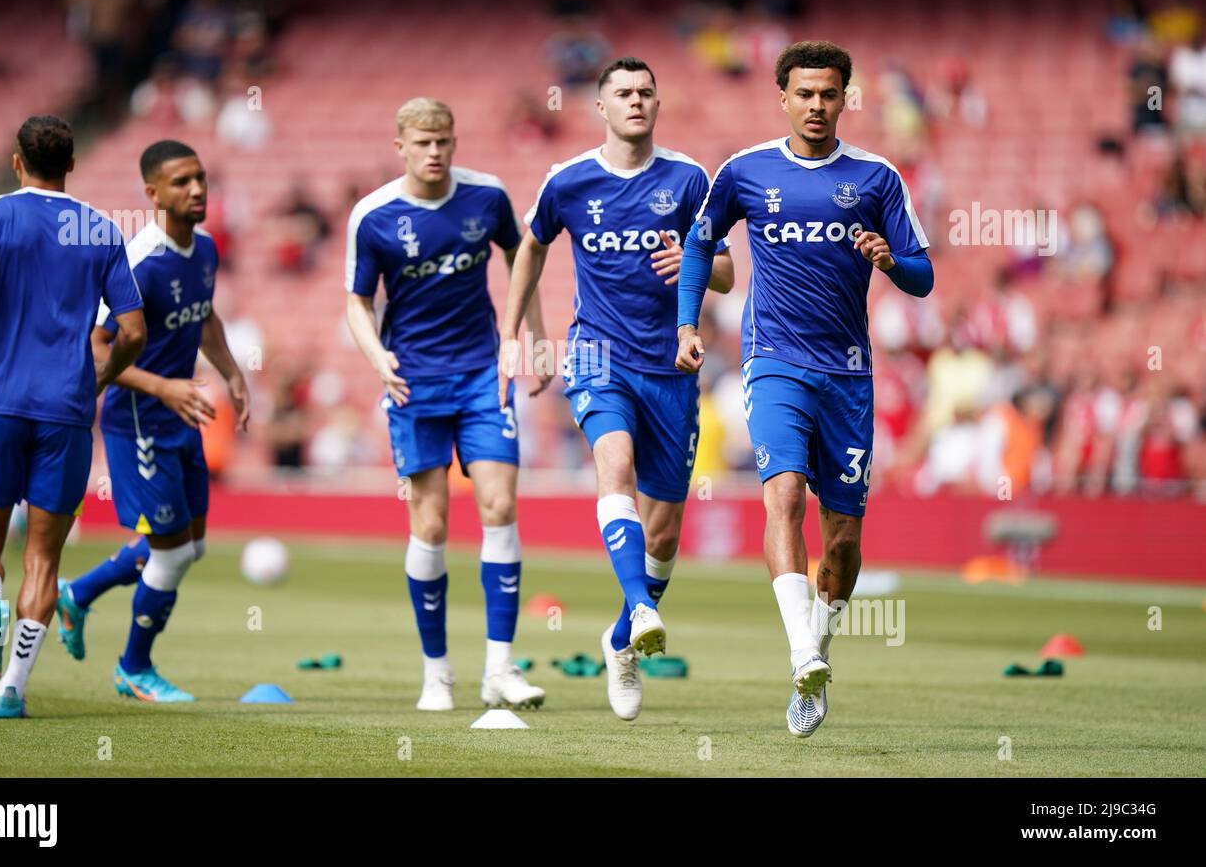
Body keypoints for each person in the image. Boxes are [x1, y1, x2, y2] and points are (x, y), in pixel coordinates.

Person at [675, 41, 934, 738]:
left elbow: (923, 275)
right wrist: (686, 325)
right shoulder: (745, 171)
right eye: (804, 94)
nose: (817, 106)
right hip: (775, 361)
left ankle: (817, 650)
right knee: (783, 494)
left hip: (848, 372)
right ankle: (799, 658)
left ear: (846, 98)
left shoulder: (877, 179)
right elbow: (702, 242)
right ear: (782, 97)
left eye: (829, 94)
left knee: (843, 538)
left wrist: (891, 259)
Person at [497, 57, 734, 720]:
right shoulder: (567, 182)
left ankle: (622, 635)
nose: (636, 100)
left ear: (658, 103)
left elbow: (726, 272)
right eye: (623, 93)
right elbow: (530, 248)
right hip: (596, 355)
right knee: (614, 465)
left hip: (672, 368)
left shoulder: (690, 180)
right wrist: (517, 336)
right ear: (600, 107)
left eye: (646, 92)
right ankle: (646, 608)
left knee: (662, 535)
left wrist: (694, 258)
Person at [0, 115, 146, 718]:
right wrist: (99, 375)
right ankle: (14, 688)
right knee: (44, 558)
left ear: (16, 160)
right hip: (67, 413)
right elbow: (132, 330)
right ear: (70, 166)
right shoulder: (101, 230)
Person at [345, 97, 549, 711]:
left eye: (445, 141)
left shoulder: (486, 198)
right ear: (400, 146)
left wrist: (530, 337)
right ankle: (437, 672)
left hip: (483, 374)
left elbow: (522, 256)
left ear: (454, 142)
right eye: (424, 143)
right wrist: (377, 358)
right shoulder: (374, 216)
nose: (436, 152)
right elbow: (356, 301)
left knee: (499, 502)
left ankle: (501, 670)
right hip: (414, 383)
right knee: (430, 523)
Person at [57, 140, 249, 702]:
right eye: (182, 182)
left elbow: (205, 315)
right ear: (153, 193)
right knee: (169, 551)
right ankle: (133, 667)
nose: (196, 190)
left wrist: (234, 374)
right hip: (137, 419)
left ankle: (79, 593)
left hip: (180, 417)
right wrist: (162, 385)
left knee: (191, 547)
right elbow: (95, 351)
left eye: (201, 179)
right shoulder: (138, 260)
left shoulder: (207, 249)